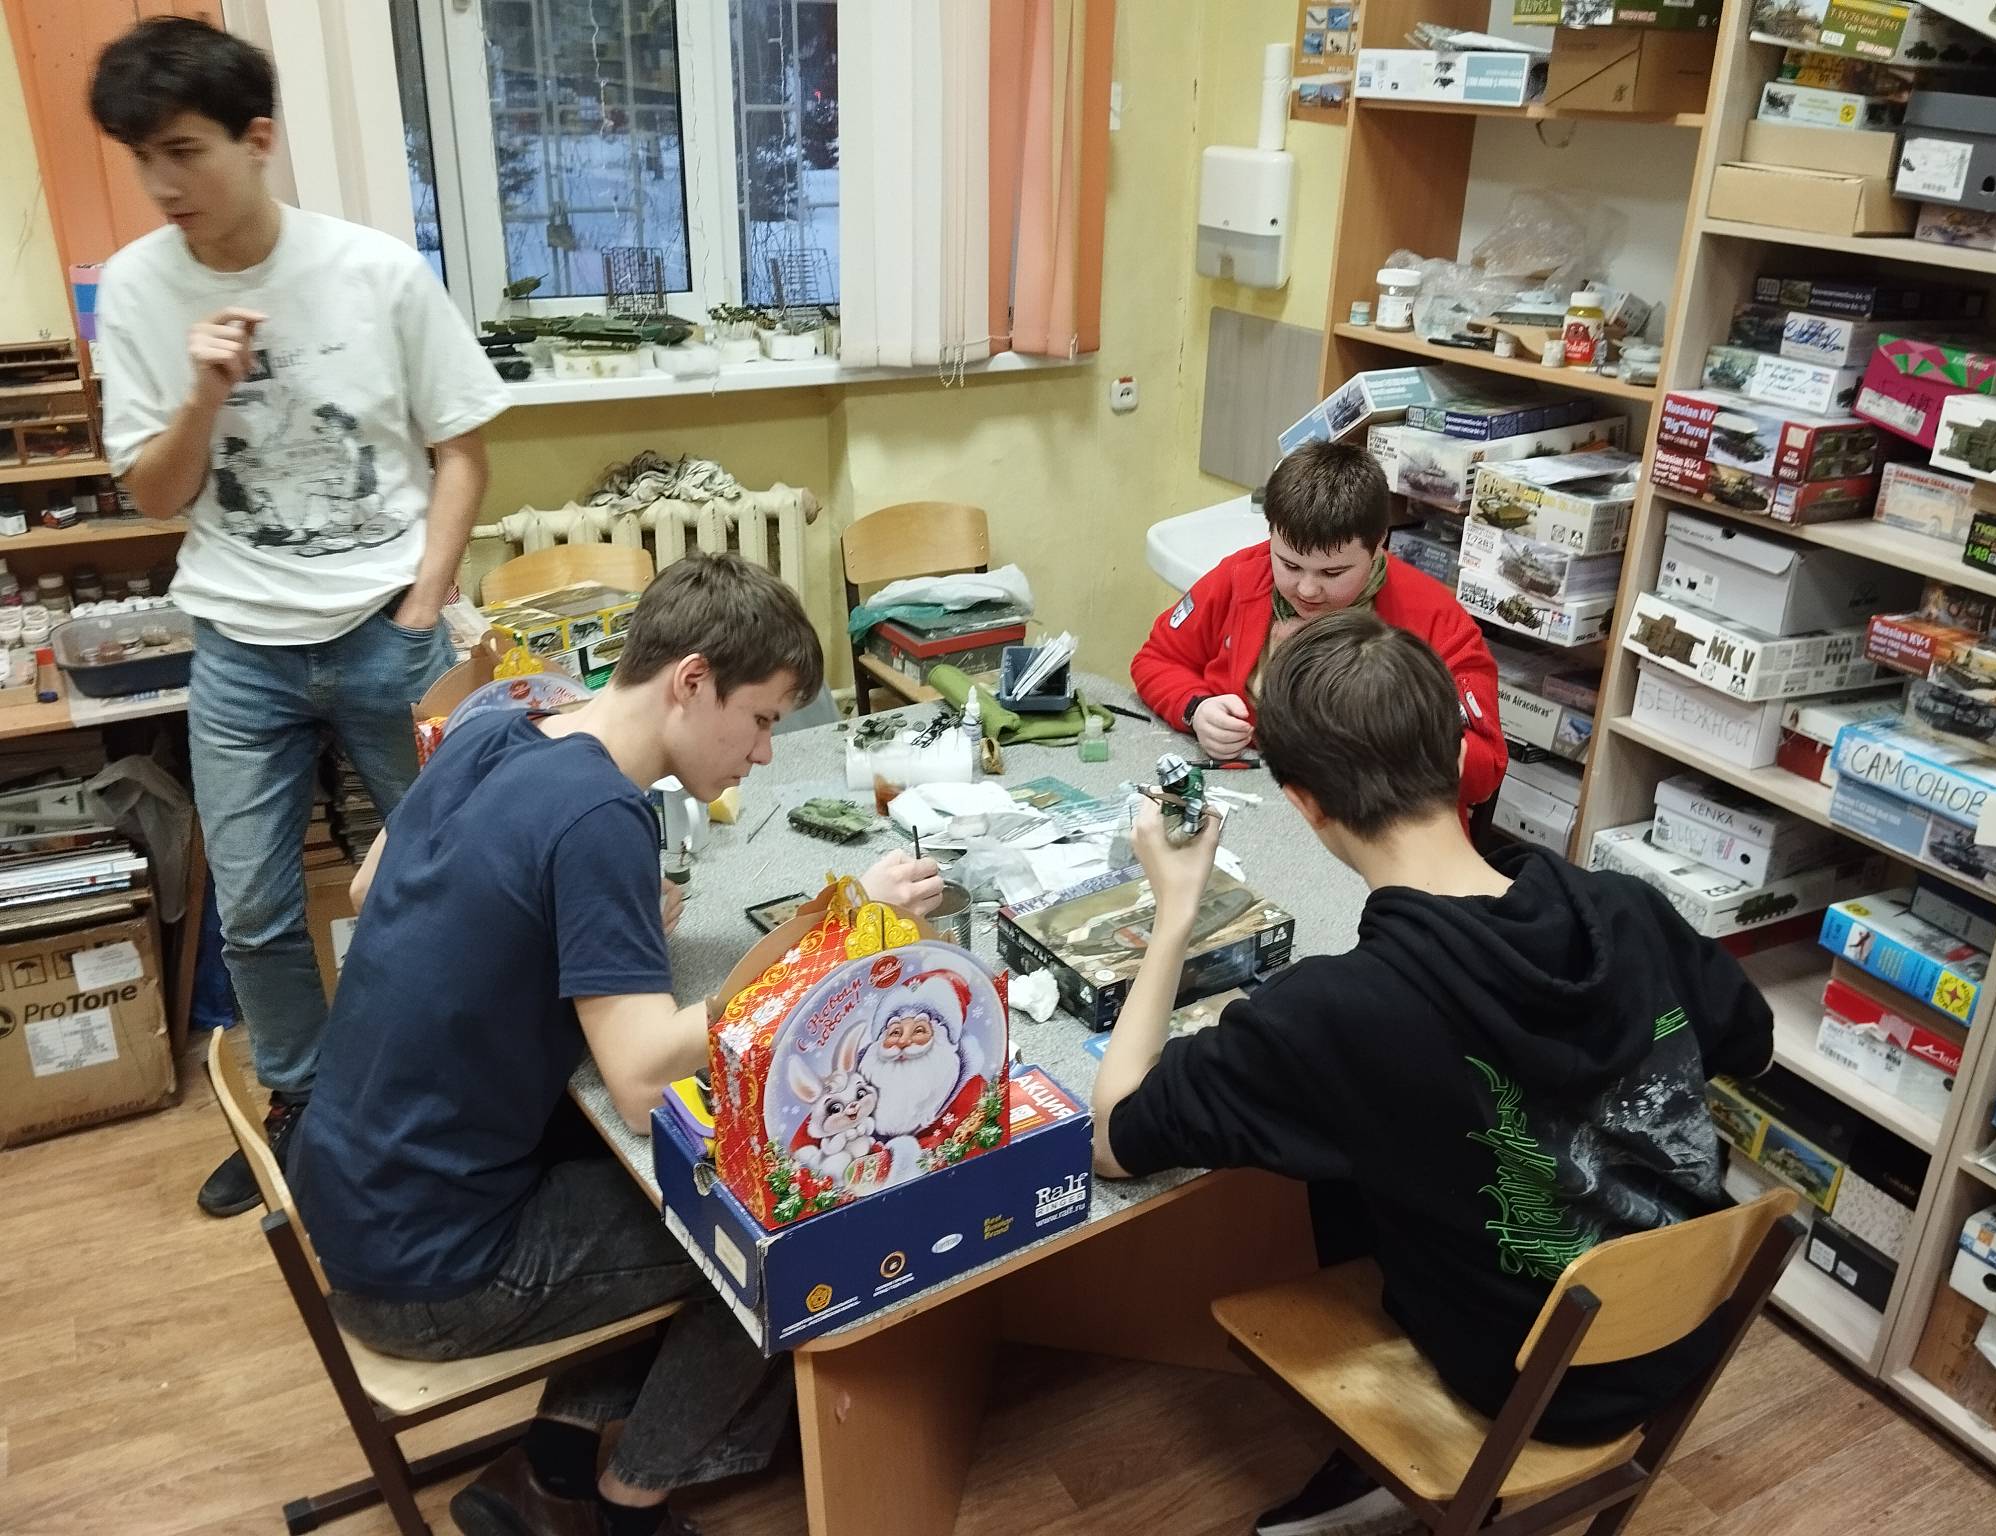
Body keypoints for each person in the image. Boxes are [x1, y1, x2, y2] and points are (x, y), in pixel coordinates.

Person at [291, 554, 945, 1536]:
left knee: (651, 1183)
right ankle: (632, 1501)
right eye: (761, 719)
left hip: (350, 1195)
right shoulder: (603, 816)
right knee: (785, 1221)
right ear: (691, 680)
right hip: (431, 1270)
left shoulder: (498, 729)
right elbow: (640, 1085)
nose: (765, 753)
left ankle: (551, 1464)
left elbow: (367, 889)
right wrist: (830, 939)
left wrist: (574, 916)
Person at [1093, 612, 1774, 1536]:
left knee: (1352, 1123)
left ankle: (1387, 1473)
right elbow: (1751, 1044)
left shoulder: (1336, 1013)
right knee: (1372, 1128)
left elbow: (1115, 1138)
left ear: (1303, 803)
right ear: (1458, 756)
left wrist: (1176, 910)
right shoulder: (1623, 907)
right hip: (1681, 1330)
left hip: (1530, 1379)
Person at [89, 17, 512, 1217]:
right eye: (142, 157)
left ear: (258, 137)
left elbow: (461, 451)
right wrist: (203, 389)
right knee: (259, 908)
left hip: (389, 629)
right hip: (238, 647)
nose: (164, 183)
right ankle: (303, 1109)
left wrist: (424, 602)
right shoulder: (137, 289)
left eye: (184, 150)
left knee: (456, 880)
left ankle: (472, 1094)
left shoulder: (375, 272)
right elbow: (156, 493)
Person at [1130, 440, 1506, 817]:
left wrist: (1393, 746)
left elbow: (1486, 765)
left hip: (1373, 817)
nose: (1307, 590)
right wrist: (1196, 708)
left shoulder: (1437, 620)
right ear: (1271, 533)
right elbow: (1156, 660)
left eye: (1333, 573)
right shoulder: (1239, 577)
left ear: (1379, 543)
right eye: (1290, 566)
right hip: (1251, 795)